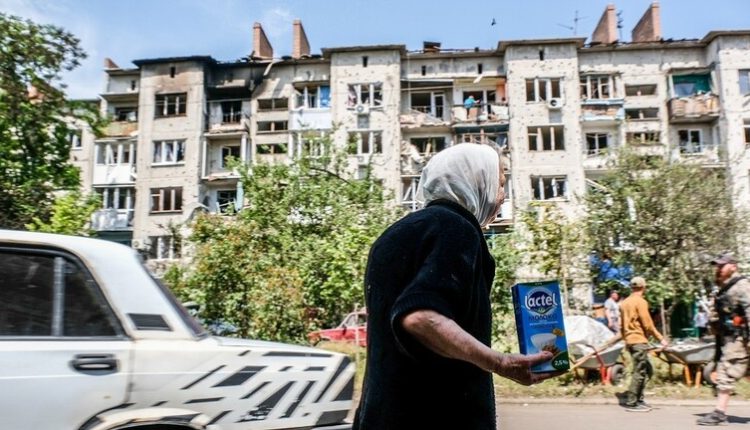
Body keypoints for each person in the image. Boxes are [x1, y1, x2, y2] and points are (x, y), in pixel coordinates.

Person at [352, 143, 560, 430]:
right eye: (500, 184)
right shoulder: (456, 228)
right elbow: (420, 317)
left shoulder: (395, 234)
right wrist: (500, 363)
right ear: (476, 180)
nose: (503, 197)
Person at [697, 253, 750, 426]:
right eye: (718, 266)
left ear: (733, 266)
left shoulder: (742, 286)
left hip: (739, 339)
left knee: (725, 372)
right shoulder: (724, 287)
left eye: (722, 265)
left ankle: (719, 413)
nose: (719, 269)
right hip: (729, 337)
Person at [620, 276, 669, 412]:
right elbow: (648, 324)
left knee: (647, 370)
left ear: (632, 287)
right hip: (638, 340)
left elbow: (621, 326)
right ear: (643, 287)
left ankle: (639, 399)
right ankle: (632, 402)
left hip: (631, 341)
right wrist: (661, 338)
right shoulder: (641, 302)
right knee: (640, 371)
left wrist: (626, 340)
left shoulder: (624, 303)